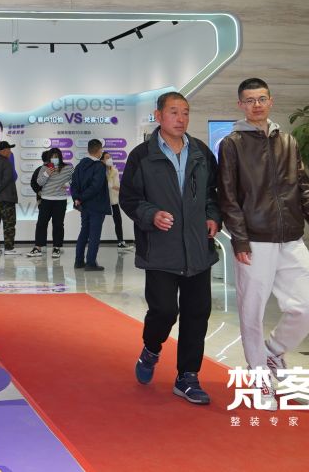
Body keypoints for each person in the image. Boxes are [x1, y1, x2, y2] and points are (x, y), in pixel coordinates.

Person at [218, 77, 309, 410]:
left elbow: (304, 190)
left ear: (271, 101)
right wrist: (240, 240)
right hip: (254, 241)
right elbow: (228, 196)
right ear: (241, 105)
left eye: (262, 98)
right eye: (250, 100)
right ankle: (259, 379)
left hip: (291, 237)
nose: (256, 105)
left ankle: (272, 352)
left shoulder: (288, 141)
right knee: (252, 312)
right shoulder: (232, 144)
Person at [121, 91, 220, 406]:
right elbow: (129, 199)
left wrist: (212, 216)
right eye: (174, 112)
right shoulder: (142, 155)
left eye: (185, 112)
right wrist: (151, 215)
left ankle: (187, 376)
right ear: (159, 116)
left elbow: (213, 193)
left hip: (198, 250)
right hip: (160, 250)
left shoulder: (201, 152)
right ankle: (151, 349)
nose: (181, 118)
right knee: (164, 310)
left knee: (197, 314)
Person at [28, 148, 74, 259]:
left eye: (56, 156)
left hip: (60, 200)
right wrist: (47, 173)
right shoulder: (44, 168)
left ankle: (56, 247)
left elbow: (76, 179)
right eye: (52, 157)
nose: (54, 159)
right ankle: (38, 247)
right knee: (41, 224)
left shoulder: (68, 168)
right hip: (46, 199)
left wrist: (68, 184)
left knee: (58, 224)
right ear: (49, 158)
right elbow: (39, 182)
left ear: (60, 157)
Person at [71, 139, 109, 272]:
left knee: (84, 232)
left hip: (84, 206)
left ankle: (79, 261)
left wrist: (77, 198)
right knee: (94, 235)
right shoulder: (99, 166)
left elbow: (74, 184)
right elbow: (96, 187)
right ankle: (91, 263)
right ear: (99, 150)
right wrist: (80, 198)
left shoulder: (80, 165)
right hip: (96, 205)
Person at [103, 151, 129, 250]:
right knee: (97, 222)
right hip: (103, 200)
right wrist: (110, 185)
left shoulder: (115, 170)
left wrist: (113, 186)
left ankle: (120, 241)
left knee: (118, 220)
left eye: (110, 157)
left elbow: (117, 186)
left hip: (114, 200)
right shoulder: (100, 171)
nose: (109, 159)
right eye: (106, 157)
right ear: (102, 160)